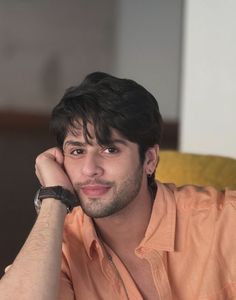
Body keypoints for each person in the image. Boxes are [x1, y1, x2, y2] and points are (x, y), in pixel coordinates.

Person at [0, 72, 235, 300]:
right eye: (77, 151)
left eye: (110, 149)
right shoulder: (60, 244)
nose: (90, 169)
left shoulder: (224, 221)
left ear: (150, 160)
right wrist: (54, 198)